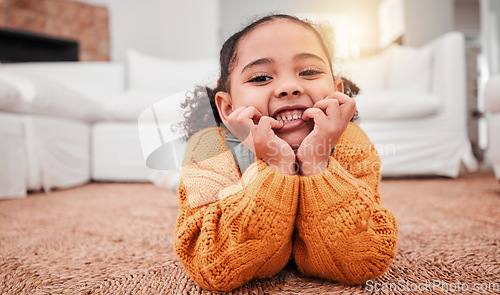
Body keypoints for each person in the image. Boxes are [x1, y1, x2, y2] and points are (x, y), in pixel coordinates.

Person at [174, 14, 398, 292]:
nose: (289, 87)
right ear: (228, 109)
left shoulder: (350, 141)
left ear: (337, 92)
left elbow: (362, 262)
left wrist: (316, 163)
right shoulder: (209, 147)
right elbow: (213, 267)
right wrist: (277, 165)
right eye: (261, 77)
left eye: (309, 72)